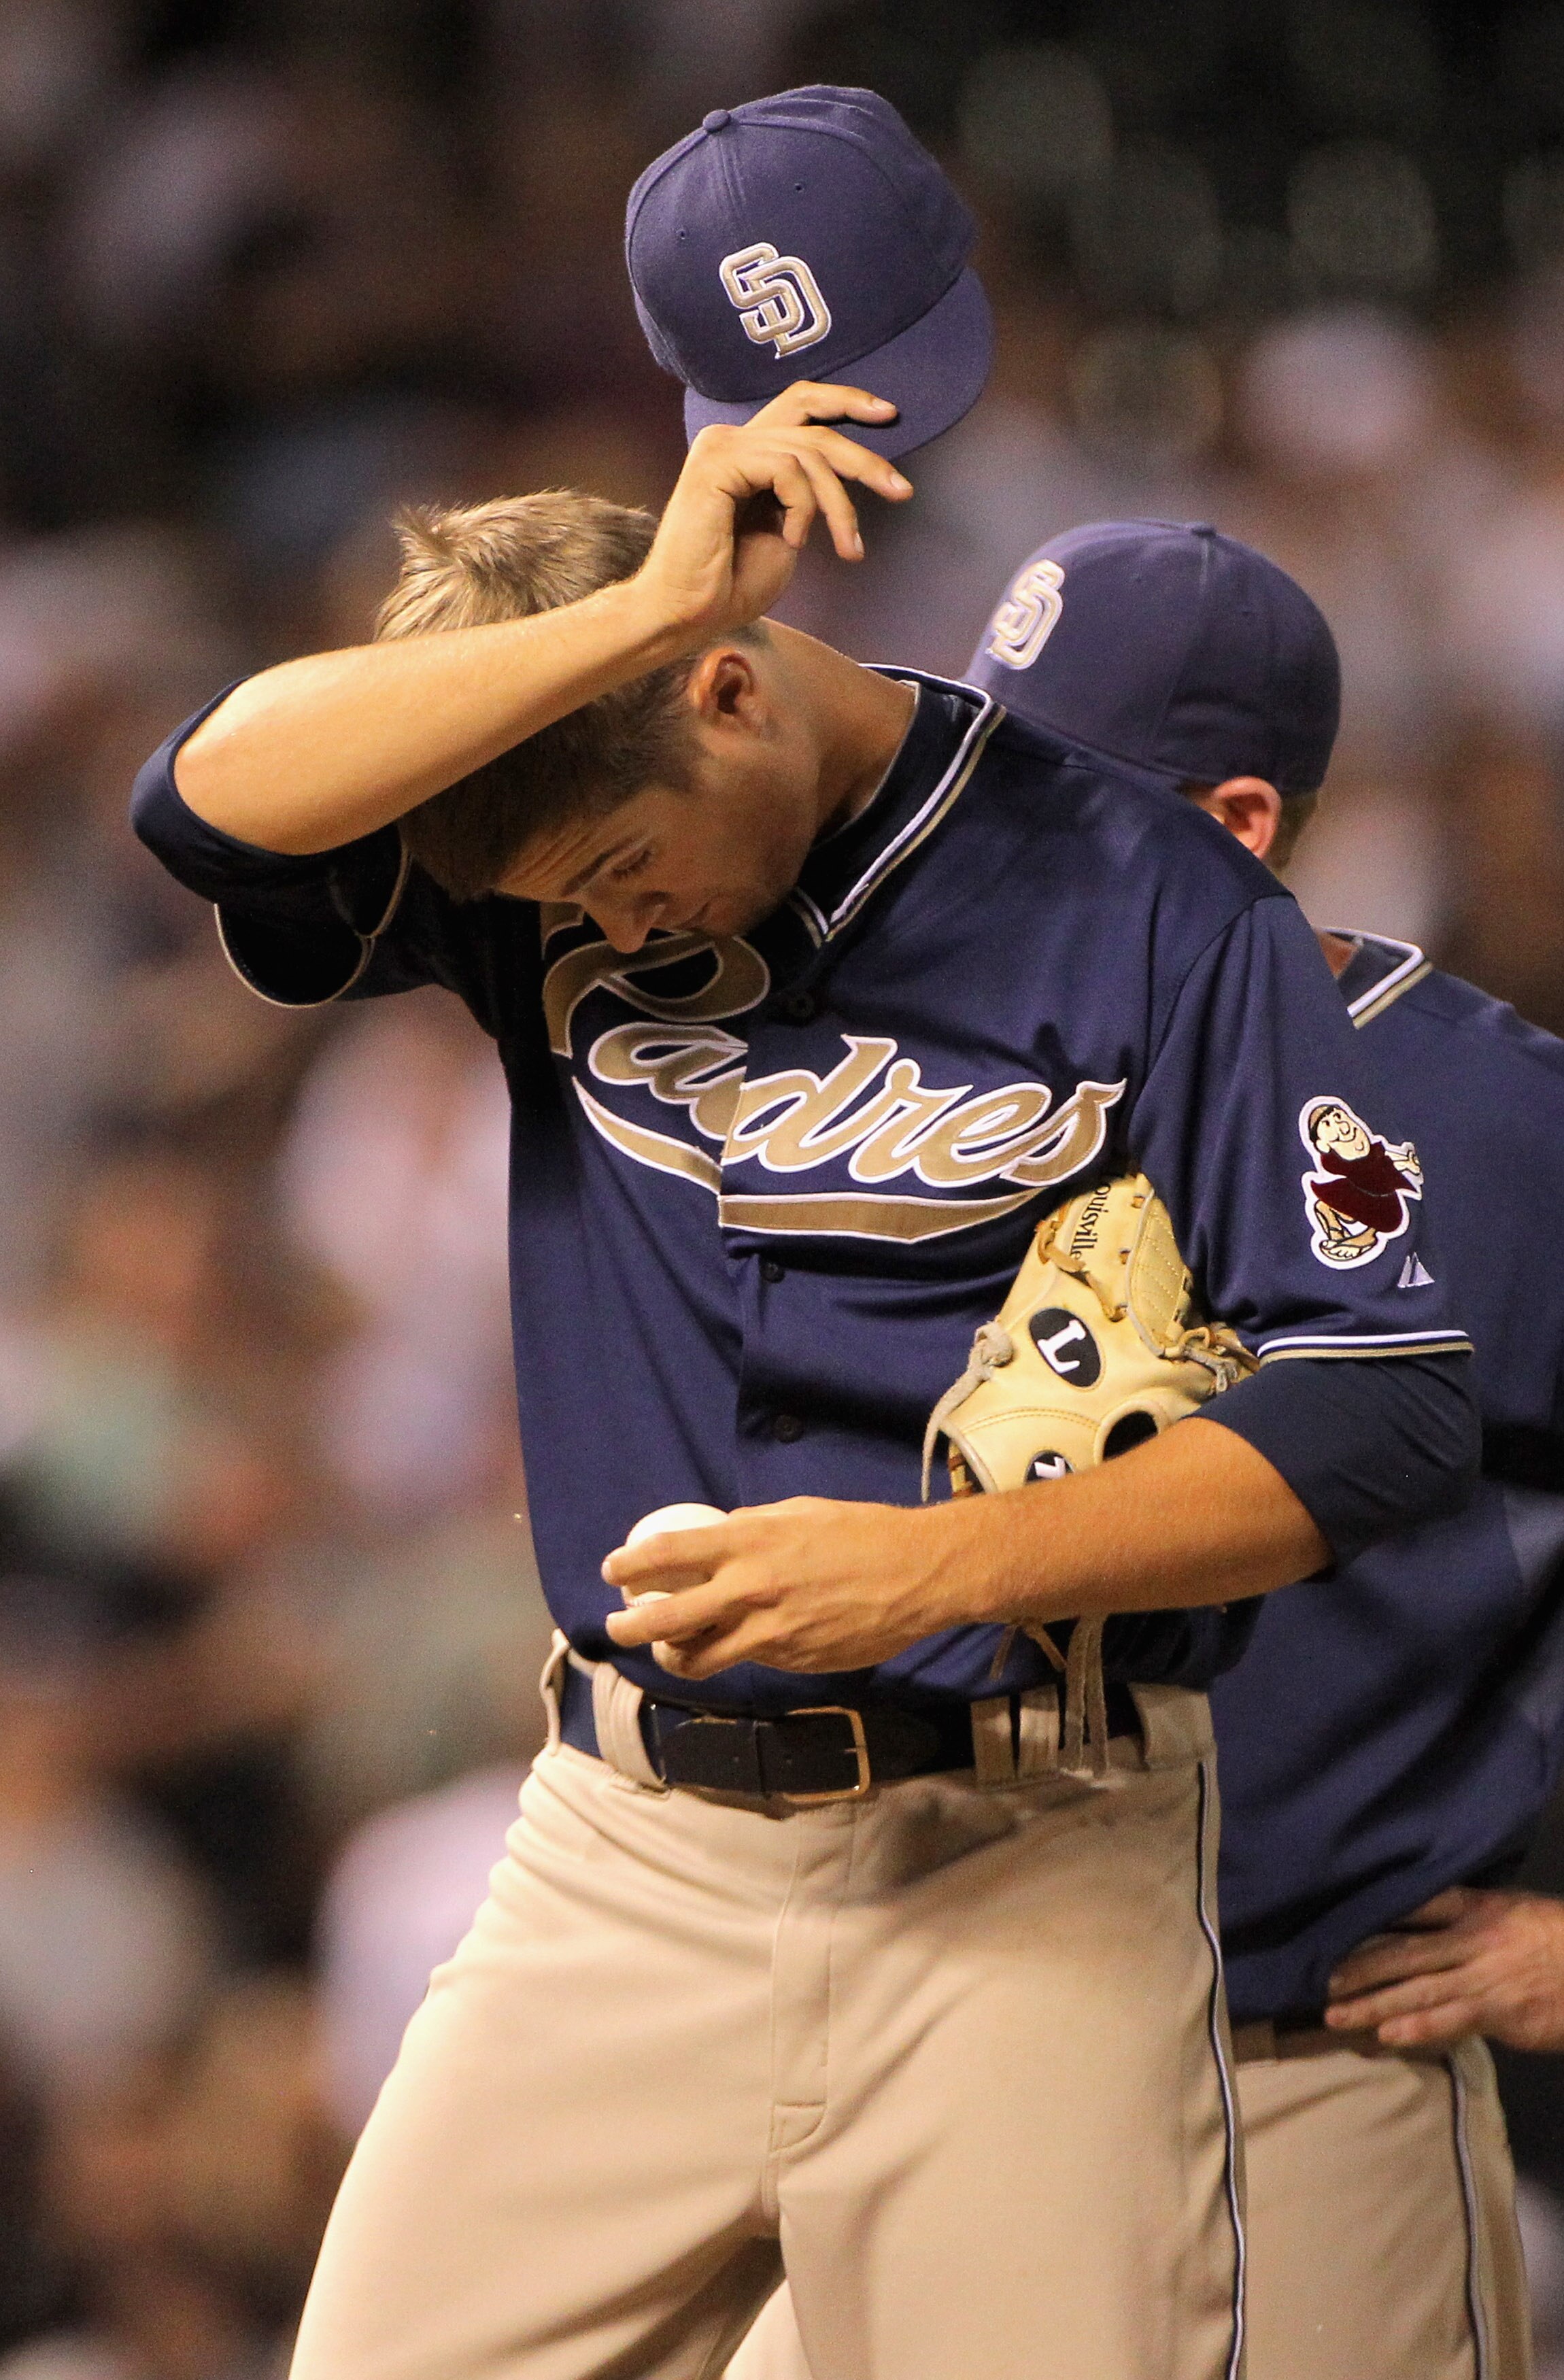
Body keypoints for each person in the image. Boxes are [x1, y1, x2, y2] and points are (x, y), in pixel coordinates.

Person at [128, 92, 1478, 2380]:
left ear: (740, 700)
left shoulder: (1145, 897)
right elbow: (207, 801)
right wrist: (643, 601)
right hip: (622, 1861)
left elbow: (1387, 1403)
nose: (599, 924)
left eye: (619, 869)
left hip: (1024, 1869)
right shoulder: (537, 819)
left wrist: (931, 1568)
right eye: (552, 912)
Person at [957, 519, 1562, 2379]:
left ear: (1228, 824)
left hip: (1298, 2075)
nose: (969, 838)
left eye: (1042, 797)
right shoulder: (905, 1083)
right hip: (929, 2041)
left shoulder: (1491, 1122)